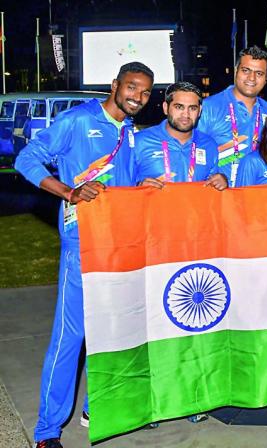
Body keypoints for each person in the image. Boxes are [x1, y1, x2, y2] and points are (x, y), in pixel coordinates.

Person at [14, 62, 154, 448]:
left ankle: (101, 407)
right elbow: (27, 158)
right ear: (115, 85)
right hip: (83, 245)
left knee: (112, 332)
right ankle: (47, 431)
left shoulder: (130, 133)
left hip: (119, 247)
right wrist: (68, 192)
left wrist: (143, 184)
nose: (137, 98)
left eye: (145, 93)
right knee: (70, 336)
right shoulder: (78, 120)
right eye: (131, 88)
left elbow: (127, 187)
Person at [197, 46, 267, 187]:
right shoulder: (208, 108)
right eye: (246, 70)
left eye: (259, 73)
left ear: (266, 77)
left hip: (256, 198)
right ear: (236, 70)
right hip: (219, 198)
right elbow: (192, 152)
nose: (252, 78)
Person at [131, 82, 227, 191]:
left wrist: (222, 181)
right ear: (166, 108)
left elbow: (212, 188)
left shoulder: (209, 144)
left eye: (192, 108)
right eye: (179, 107)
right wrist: (137, 187)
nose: (185, 114)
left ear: (199, 111)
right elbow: (120, 185)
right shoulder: (139, 141)